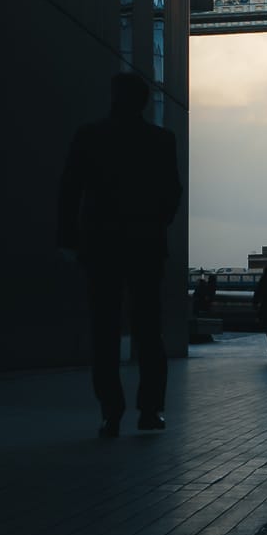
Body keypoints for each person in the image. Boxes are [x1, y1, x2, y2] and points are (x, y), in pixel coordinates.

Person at [58, 71, 182, 438]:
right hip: (145, 245)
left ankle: (111, 412)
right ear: (143, 102)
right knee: (148, 330)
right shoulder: (161, 141)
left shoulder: (90, 137)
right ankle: (150, 410)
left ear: (114, 98)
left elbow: (69, 190)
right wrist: (155, 224)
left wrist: (68, 238)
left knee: (105, 331)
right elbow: (172, 193)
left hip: (101, 246)